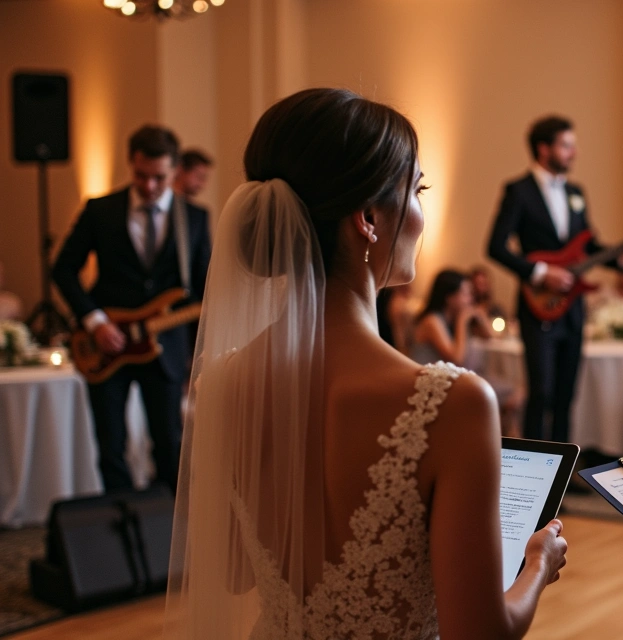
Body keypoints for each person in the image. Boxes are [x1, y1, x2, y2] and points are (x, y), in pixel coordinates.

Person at [164, 88, 567, 638]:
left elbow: (234, 574)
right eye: (418, 190)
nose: (421, 213)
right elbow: (479, 634)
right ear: (369, 218)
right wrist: (539, 561)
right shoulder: (452, 403)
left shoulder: (223, 384)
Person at [52, 125, 212, 493]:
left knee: (169, 443)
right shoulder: (100, 210)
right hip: (106, 344)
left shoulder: (194, 218)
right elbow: (63, 269)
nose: (149, 186)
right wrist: (95, 322)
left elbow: (204, 287)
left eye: (159, 177)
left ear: (174, 170)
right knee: (111, 445)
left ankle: (165, 521)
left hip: (166, 348)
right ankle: (121, 519)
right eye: (141, 175)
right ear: (131, 164)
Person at [487, 115, 623, 443]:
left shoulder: (575, 192)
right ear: (544, 149)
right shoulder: (518, 191)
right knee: (541, 392)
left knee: (567, 395)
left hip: (573, 307)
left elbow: (587, 244)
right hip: (538, 304)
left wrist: (620, 258)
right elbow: (495, 246)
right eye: (566, 146)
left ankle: (564, 467)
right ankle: (534, 469)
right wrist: (541, 272)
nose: (574, 152)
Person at [412, 269, 523, 437]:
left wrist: (480, 316)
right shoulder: (432, 321)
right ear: (449, 297)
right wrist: (462, 321)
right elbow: (457, 359)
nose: (470, 299)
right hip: (433, 383)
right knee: (509, 396)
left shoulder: (450, 319)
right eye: (465, 294)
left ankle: (498, 440)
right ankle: (496, 440)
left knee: (515, 395)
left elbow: (490, 337)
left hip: (452, 380)